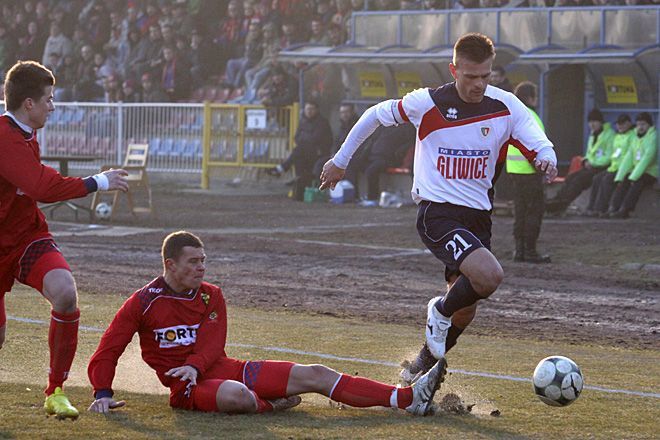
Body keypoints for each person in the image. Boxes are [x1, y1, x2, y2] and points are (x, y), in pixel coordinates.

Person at [319, 33, 557, 384]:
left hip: (478, 218)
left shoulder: (505, 105)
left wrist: (547, 157)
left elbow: (535, 137)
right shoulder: (427, 102)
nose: (479, 84)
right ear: (454, 69)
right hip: (439, 213)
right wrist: (340, 161)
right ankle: (439, 310)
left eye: (485, 76)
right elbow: (374, 115)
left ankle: (419, 368)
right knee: (489, 276)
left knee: (468, 308)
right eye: (471, 76)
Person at [87, 231, 446, 416]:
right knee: (239, 396)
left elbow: (212, 345)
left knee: (316, 373)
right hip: (186, 390)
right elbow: (108, 349)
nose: (202, 267)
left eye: (204, 260)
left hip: (225, 369)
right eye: (194, 261)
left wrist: (197, 365)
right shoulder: (143, 302)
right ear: (169, 264)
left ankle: (406, 399)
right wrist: (102, 393)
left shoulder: (211, 294)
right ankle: (270, 405)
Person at [0, 61, 129, 419]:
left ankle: (56, 391)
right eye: (49, 100)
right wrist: (97, 182)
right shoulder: (4, 136)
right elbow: (41, 186)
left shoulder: (23, 130)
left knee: (65, 293)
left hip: (27, 236)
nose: (53, 107)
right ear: (29, 103)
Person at [505, 81, 550, 263]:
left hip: (514, 171)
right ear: (531, 97)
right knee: (533, 212)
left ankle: (519, 250)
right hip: (530, 172)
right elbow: (535, 146)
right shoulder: (531, 117)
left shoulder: (512, 116)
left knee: (520, 211)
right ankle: (530, 251)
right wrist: (542, 170)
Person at [545, 109, 614, 215]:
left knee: (579, 181)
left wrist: (592, 163)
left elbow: (609, 156)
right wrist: (586, 160)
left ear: (601, 122)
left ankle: (562, 203)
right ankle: (557, 200)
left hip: (601, 168)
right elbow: (590, 153)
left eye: (594, 122)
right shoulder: (593, 135)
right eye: (590, 122)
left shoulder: (609, 135)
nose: (592, 124)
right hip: (590, 166)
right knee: (571, 178)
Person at [267, 100, 333, 200]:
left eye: (311, 109)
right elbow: (296, 137)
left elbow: (315, 139)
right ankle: (299, 187)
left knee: (298, 150)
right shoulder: (303, 121)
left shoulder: (322, 122)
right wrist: (305, 138)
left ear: (316, 110)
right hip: (306, 152)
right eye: (307, 109)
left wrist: (304, 138)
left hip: (319, 152)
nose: (309, 112)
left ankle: (282, 168)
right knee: (298, 156)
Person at [343, 123, 416, 206]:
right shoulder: (384, 125)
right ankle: (354, 197)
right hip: (373, 157)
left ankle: (372, 198)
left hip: (389, 159)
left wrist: (399, 153)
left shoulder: (406, 127)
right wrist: (363, 156)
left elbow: (412, 141)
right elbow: (372, 141)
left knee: (371, 170)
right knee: (352, 164)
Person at [606, 112, 657, 219]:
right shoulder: (635, 137)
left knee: (637, 182)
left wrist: (634, 177)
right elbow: (628, 158)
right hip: (637, 170)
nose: (640, 127)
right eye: (638, 124)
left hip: (651, 171)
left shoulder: (653, 137)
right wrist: (619, 177)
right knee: (624, 180)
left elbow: (647, 159)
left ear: (649, 125)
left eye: (643, 124)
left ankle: (625, 210)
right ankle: (613, 208)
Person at [583, 114, 635, 217]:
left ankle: (601, 209)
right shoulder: (618, 136)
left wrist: (620, 173)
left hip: (624, 169)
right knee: (597, 178)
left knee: (606, 180)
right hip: (614, 167)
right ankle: (592, 207)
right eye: (618, 124)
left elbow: (628, 158)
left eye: (623, 124)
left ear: (629, 124)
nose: (620, 126)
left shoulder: (632, 136)